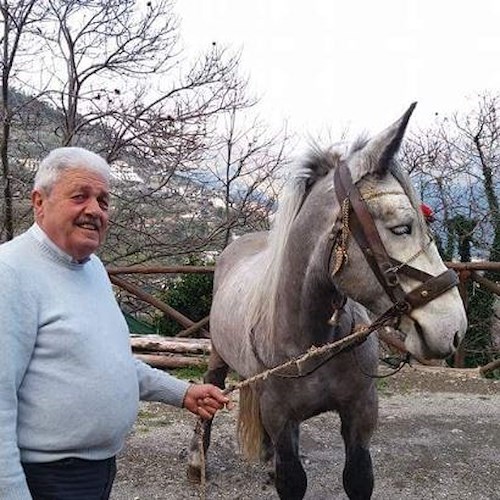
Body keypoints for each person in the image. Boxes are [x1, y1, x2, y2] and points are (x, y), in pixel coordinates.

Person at [0, 147, 230, 500]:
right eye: (80, 196)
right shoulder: (11, 273)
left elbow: (112, 363)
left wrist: (182, 392)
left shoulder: (92, 268)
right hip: (45, 479)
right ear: (39, 202)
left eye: (103, 201)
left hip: (98, 470)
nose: (94, 210)